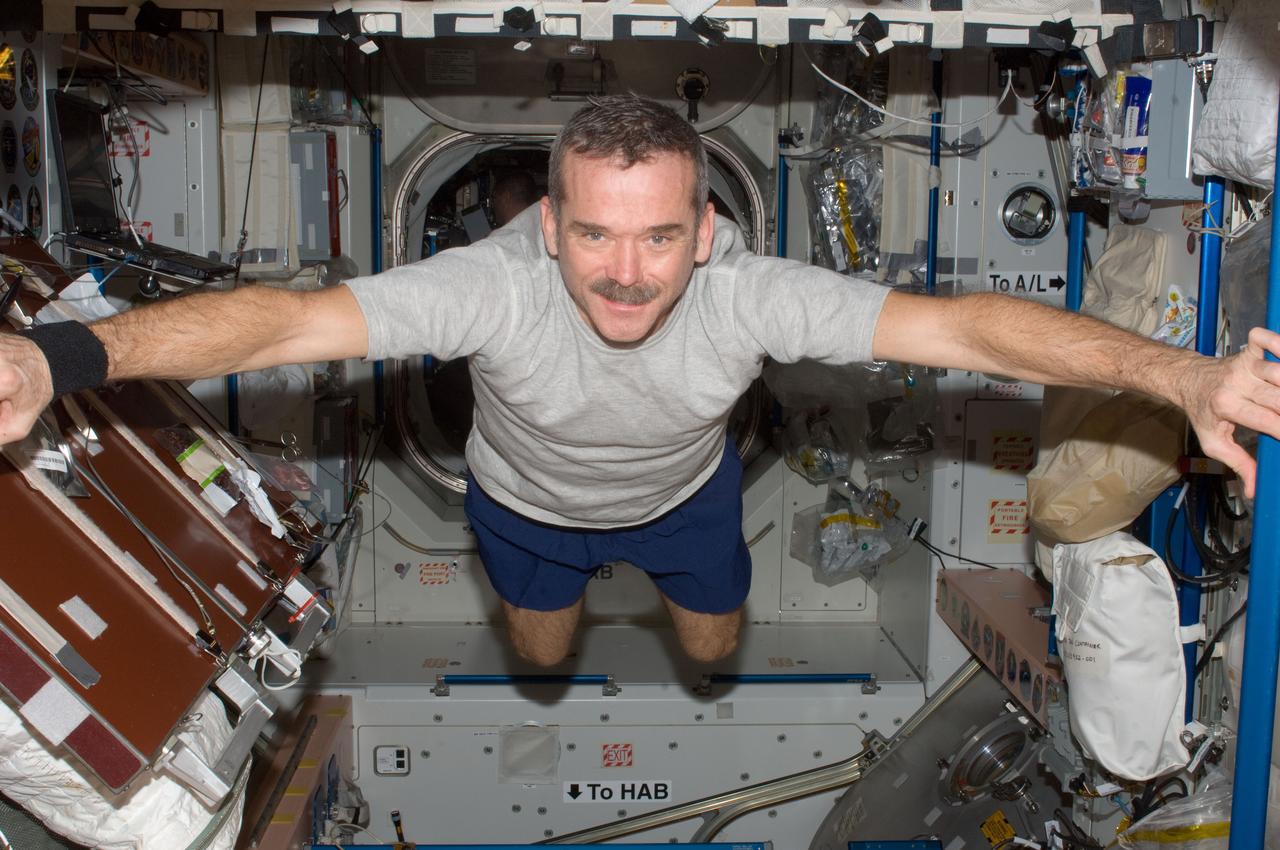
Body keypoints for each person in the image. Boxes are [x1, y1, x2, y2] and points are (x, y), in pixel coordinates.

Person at [2, 95, 1278, 668]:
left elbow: (969, 332)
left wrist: (1180, 375)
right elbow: (285, 325)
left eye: (658, 235)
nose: (624, 272)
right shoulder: (490, 284)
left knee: (714, 649)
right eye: (596, 233)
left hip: (687, 503)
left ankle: (696, 627)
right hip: (524, 510)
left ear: (705, 230)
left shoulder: (749, 289)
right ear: (545, 223)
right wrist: (59, 357)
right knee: (546, 659)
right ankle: (554, 629)